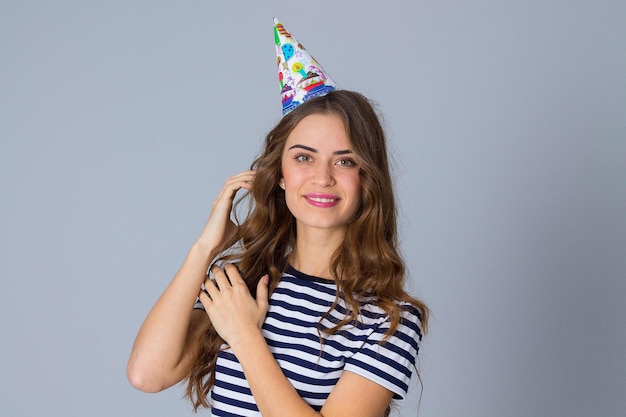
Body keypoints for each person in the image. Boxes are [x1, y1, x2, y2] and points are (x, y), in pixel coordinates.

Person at [127, 19, 428, 417]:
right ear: (281, 175)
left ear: (367, 180)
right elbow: (147, 374)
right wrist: (205, 249)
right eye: (304, 157)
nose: (322, 177)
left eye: (345, 161)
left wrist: (245, 336)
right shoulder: (246, 284)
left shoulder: (389, 319)